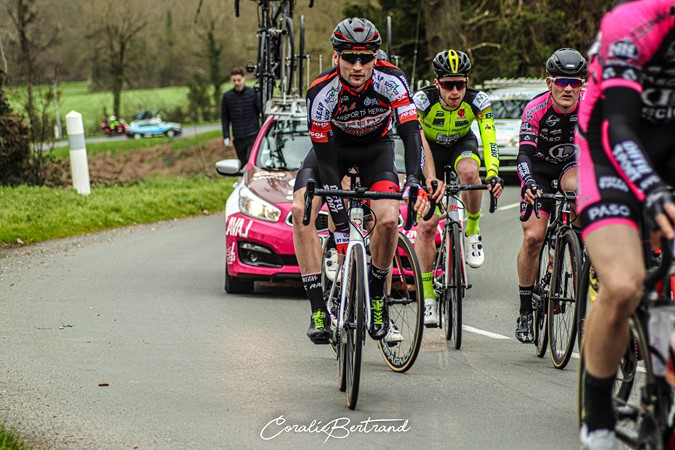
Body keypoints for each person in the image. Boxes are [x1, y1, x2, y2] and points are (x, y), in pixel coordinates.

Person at [291, 17, 430, 345]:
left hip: (376, 152)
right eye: (350, 57)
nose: (357, 66)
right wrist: (340, 223)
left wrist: (414, 179)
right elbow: (326, 163)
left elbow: (411, 134)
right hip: (333, 153)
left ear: (375, 57)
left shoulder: (392, 80)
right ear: (335, 56)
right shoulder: (321, 91)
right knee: (300, 210)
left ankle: (378, 297)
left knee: (389, 220)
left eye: (365, 58)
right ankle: (318, 311)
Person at [576, 2, 675, 448]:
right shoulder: (633, 23)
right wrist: (651, 190)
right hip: (608, 147)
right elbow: (618, 125)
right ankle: (598, 415)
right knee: (622, 285)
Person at [412, 49, 503, 327]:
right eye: (448, 85)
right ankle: (428, 298)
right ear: (436, 83)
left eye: (460, 84)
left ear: (467, 82)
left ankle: (472, 229)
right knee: (428, 226)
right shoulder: (422, 101)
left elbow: (489, 139)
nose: (454, 92)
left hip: (461, 145)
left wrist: (494, 173)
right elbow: (416, 143)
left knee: (469, 172)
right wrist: (429, 178)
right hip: (429, 151)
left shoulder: (478, 101)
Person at [514, 48, 587, 343]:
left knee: (581, 191)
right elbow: (523, 155)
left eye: (575, 82)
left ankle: (577, 249)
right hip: (539, 170)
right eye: (561, 82)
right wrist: (528, 183)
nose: (568, 88)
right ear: (549, 83)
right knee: (534, 237)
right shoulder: (535, 109)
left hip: (571, 167)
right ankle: (524, 311)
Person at [220, 67, 261, 168]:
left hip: (252, 134)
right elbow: (225, 118)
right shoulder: (227, 97)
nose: (237, 83)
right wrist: (226, 136)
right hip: (238, 136)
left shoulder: (253, 93)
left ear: (244, 78)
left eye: (239, 80)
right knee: (242, 163)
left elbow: (260, 112)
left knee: (251, 161)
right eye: (234, 80)